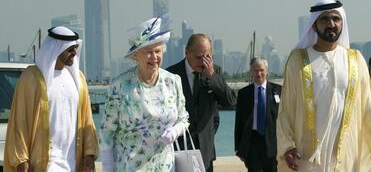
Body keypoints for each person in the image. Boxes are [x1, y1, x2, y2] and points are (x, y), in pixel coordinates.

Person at [276, 0, 371, 172]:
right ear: (314, 25)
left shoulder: (355, 60)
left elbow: (369, 108)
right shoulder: (298, 60)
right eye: (324, 19)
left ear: (342, 23)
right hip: (307, 155)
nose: (331, 24)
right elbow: (286, 109)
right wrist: (287, 145)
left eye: (336, 18)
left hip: (345, 152)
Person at [4, 26, 99, 172]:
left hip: (73, 162)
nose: (74, 53)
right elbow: (19, 122)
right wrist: (21, 160)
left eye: (75, 48)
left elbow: (87, 118)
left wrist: (89, 153)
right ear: (57, 49)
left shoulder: (78, 79)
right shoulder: (31, 78)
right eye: (70, 49)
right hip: (43, 163)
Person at [100, 18, 189, 172]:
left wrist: (175, 131)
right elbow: (106, 131)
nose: (154, 57)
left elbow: (183, 118)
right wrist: (108, 168)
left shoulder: (173, 81)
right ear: (136, 55)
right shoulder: (119, 86)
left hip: (166, 167)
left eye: (157, 51)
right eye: (148, 52)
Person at [167, 33, 236, 172]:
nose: (203, 62)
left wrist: (212, 77)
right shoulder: (171, 74)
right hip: (179, 149)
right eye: (199, 57)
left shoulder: (214, 71)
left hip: (205, 151)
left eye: (207, 57)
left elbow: (230, 101)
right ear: (186, 52)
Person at [235, 57, 281, 172]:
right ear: (251, 71)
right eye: (255, 70)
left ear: (267, 71)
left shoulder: (279, 91)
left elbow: (284, 120)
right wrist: (238, 147)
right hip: (251, 142)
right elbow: (239, 122)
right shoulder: (243, 93)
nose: (258, 73)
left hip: (272, 142)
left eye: (261, 70)